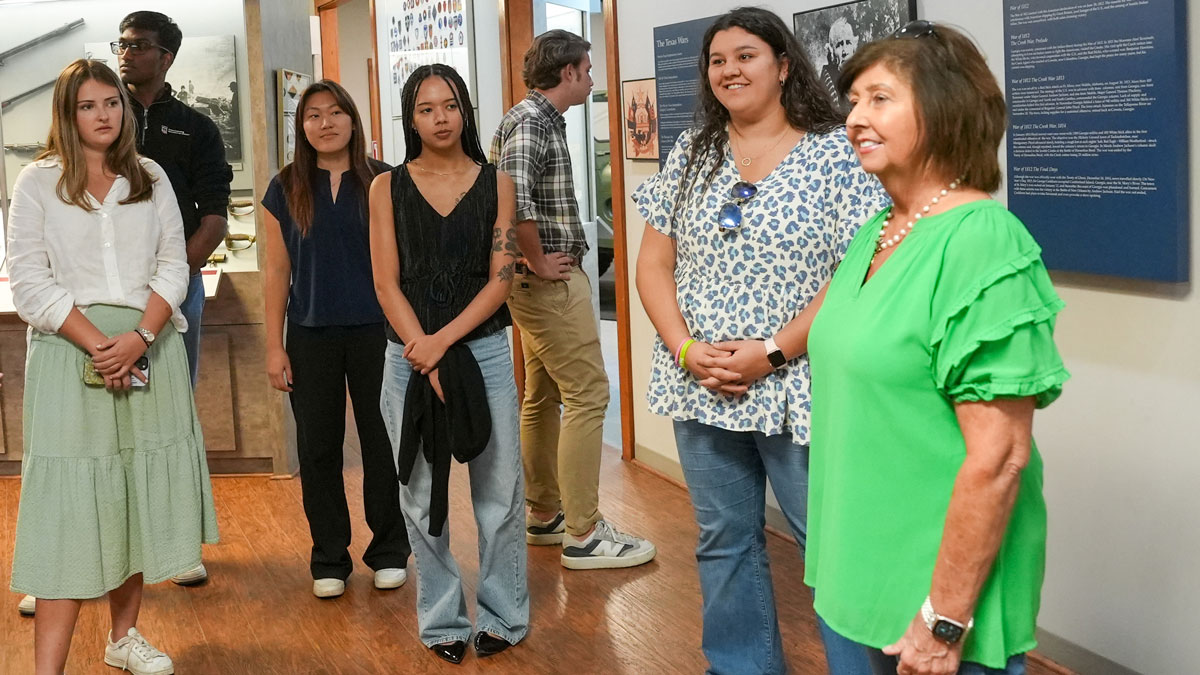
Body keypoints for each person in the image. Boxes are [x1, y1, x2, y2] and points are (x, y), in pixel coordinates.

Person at [803, 21, 1070, 674]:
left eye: (880, 98)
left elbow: (999, 456)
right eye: (854, 100)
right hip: (856, 567)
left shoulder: (982, 240)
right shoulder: (876, 231)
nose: (856, 118)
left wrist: (943, 619)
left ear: (945, 107)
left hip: (934, 600)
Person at [633, 8, 885, 674]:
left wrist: (773, 350)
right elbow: (653, 263)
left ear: (783, 64)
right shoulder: (693, 152)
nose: (729, 70)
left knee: (829, 546)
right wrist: (687, 349)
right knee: (724, 542)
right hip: (703, 383)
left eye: (745, 56)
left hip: (798, 383)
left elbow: (853, 271)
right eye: (717, 61)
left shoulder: (838, 152)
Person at [7, 58, 218, 675]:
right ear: (67, 114)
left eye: (112, 104)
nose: (103, 115)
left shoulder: (150, 176)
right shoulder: (37, 182)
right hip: (71, 356)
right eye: (88, 105)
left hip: (151, 351)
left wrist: (142, 338)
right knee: (69, 510)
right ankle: (48, 669)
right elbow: (30, 283)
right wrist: (104, 345)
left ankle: (123, 637)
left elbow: (174, 267)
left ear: (126, 111)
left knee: (130, 496)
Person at [371, 64, 528, 665]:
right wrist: (422, 349)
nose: (440, 118)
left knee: (500, 489)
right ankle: (441, 620)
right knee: (417, 491)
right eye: (426, 108)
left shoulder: (499, 183)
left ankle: (504, 614)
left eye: (450, 105)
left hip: (482, 348)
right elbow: (385, 283)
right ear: (411, 118)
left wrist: (443, 345)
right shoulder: (385, 187)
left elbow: (502, 280)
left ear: (466, 110)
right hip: (405, 353)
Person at [490, 29, 655, 569]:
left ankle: (546, 516)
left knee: (541, 394)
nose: (591, 78)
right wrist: (536, 259)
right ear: (569, 73)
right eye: (587, 69)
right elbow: (513, 196)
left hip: (538, 283)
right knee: (588, 394)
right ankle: (583, 535)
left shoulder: (533, 118)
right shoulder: (534, 121)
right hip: (548, 283)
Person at [261, 80, 411, 599]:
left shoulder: (386, 181)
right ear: (301, 128)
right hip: (309, 332)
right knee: (318, 447)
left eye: (335, 113)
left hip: (379, 332)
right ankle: (329, 557)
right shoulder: (284, 187)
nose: (324, 123)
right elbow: (277, 273)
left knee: (383, 442)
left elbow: (405, 266)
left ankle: (390, 550)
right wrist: (274, 344)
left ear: (353, 119)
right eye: (312, 116)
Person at [115, 9, 232, 587]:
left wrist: (171, 278)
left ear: (166, 57)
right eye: (122, 44)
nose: (126, 53)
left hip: (175, 293)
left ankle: (179, 542)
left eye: (138, 46)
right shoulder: (99, 116)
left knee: (172, 416)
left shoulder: (197, 128)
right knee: (104, 424)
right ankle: (106, 546)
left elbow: (213, 216)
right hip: (105, 295)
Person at [820, 17, 859, 113]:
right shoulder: (826, 83)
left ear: (854, 46)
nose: (845, 51)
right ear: (832, 51)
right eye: (839, 45)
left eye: (848, 43)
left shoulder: (864, 75)